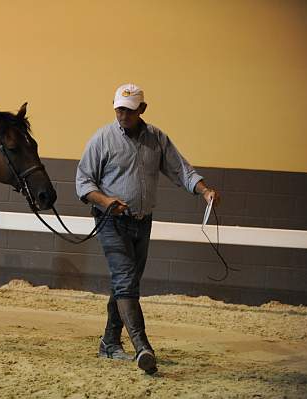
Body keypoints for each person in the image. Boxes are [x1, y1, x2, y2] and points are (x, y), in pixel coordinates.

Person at [75, 83, 220, 374]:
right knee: (126, 280)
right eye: (118, 109)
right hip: (111, 221)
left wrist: (204, 191)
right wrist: (105, 201)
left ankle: (109, 342)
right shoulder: (101, 140)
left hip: (142, 222)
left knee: (126, 284)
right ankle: (143, 347)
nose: (122, 115)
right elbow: (83, 183)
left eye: (128, 110)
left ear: (142, 109)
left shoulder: (157, 140)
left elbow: (181, 169)